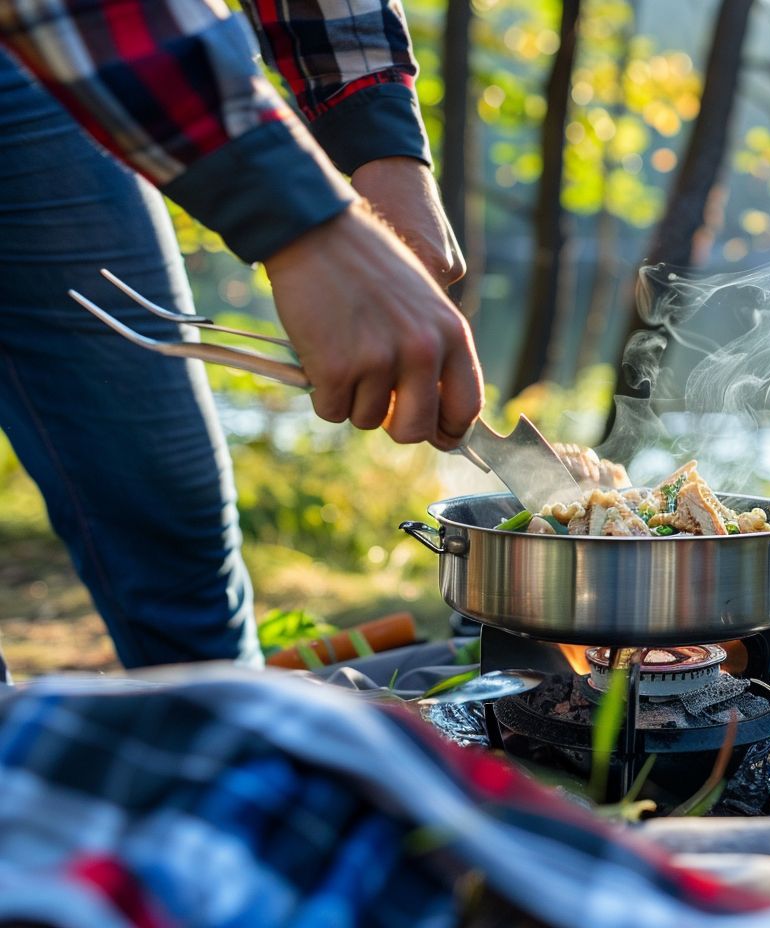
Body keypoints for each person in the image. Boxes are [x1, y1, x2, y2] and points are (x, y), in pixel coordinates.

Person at [0, 0, 482, 678]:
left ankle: (235, 742)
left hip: (37, 74)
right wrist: (305, 223)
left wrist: (383, 147)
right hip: (73, 26)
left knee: (165, 491)